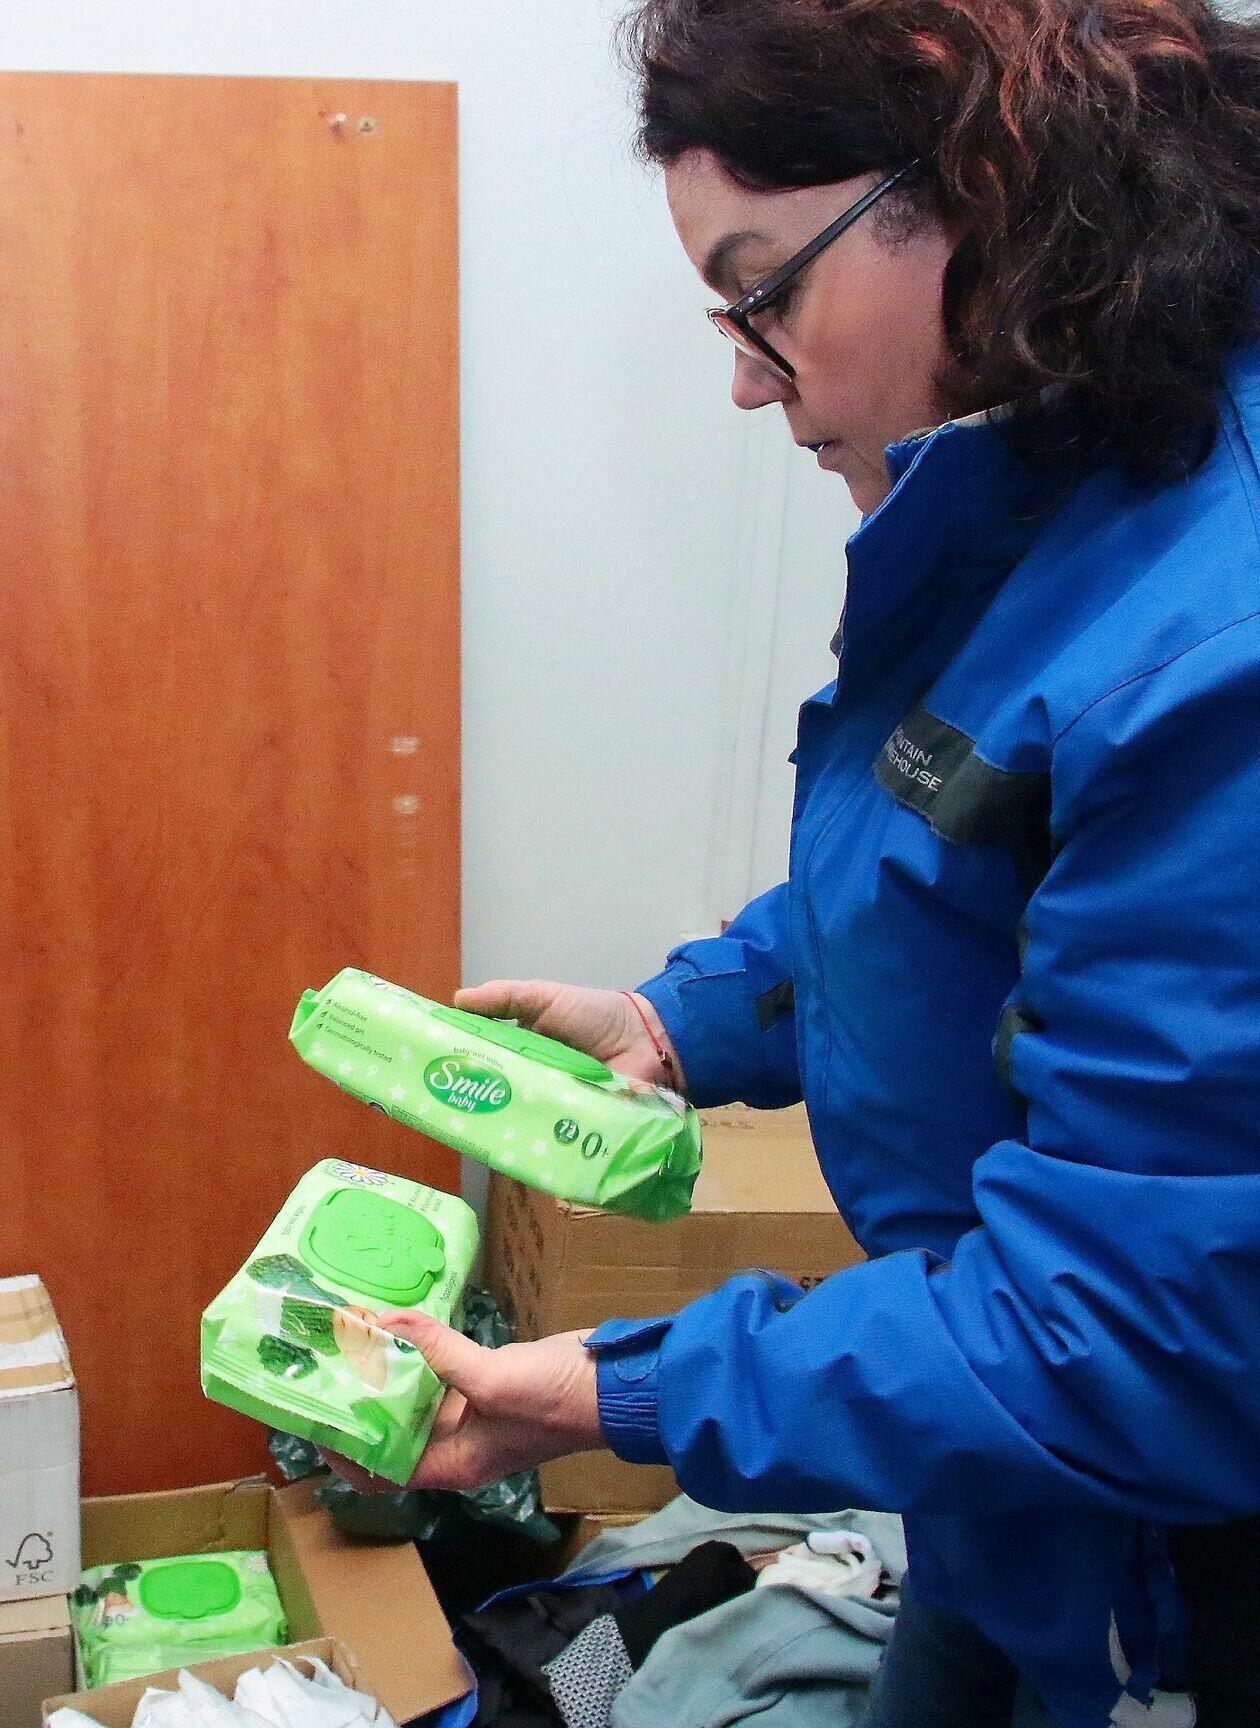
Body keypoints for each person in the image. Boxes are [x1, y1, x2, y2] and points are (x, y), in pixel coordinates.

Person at [327, 1, 1260, 1722]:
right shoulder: (1055, 485)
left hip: (1166, 1574)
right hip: (1011, 1503)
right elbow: (959, 872)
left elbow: (1138, 1332)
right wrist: (685, 1019)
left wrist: (619, 1391)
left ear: (987, 180)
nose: (750, 376)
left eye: (765, 294)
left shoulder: (1219, 647)